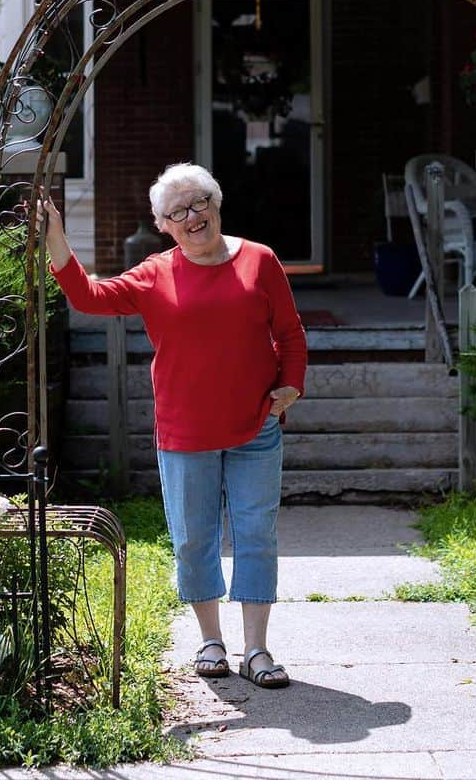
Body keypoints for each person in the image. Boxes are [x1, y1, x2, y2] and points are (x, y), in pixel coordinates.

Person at [38, 162, 307, 689]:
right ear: (163, 224)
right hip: (185, 433)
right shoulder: (154, 273)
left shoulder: (260, 260)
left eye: (199, 202)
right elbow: (87, 297)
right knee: (193, 538)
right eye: (177, 211)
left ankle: (257, 650)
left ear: (217, 203)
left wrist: (290, 386)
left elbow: (290, 333)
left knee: (256, 535)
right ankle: (210, 639)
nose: (192, 216)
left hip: (256, 426)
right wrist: (56, 239)